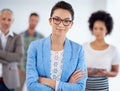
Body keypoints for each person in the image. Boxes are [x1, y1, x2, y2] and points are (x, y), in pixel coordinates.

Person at [26, 1, 87, 91]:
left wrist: (48, 82)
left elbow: (80, 88)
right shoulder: (35, 47)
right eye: (57, 19)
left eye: (66, 21)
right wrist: (67, 86)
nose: (61, 24)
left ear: (71, 24)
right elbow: (31, 86)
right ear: (50, 21)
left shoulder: (78, 50)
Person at [83, 10, 119, 91]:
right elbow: (77, 69)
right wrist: (86, 71)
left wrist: (106, 73)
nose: (97, 31)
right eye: (95, 28)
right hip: (84, 88)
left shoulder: (113, 50)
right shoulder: (83, 47)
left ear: (107, 30)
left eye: (101, 28)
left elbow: (115, 72)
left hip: (103, 88)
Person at [17, 13, 44, 91]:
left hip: (34, 72)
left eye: (36, 21)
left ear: (38, 22)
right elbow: (16, 53)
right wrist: (17, 67)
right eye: (32, 20)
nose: (33, 22)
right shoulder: (19, 36)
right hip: (21, 70)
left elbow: (42, 56)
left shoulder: (41, 38)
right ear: (29, 20)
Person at [0, 9, 23, 91]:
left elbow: (18, 57)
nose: (6, 22)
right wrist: (8, 58)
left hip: (10, 80)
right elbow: (14, 57)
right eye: (3, 19)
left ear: (12, 21)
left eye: (9, 20)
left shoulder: (17, 37)